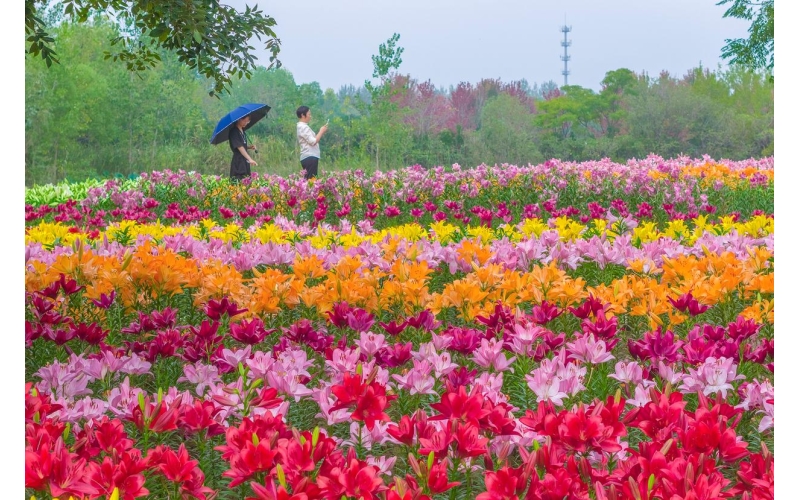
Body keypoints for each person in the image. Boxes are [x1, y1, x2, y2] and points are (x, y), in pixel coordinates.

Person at [296, 106, 328, 180]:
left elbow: (313, 140)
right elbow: (313, 141)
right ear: (303, 115)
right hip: (309, 156)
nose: (310, 116)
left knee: (309, 180)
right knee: (311, 181)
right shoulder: (303, 127)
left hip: (308, 156)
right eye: (309, 114)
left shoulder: (302, 126)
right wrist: (321, 131)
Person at [229, 115, 257, 182]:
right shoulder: (234, 132)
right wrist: (250, 159)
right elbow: (239, 147)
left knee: (247, 179)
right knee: (239, 179)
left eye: (248, 121)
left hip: (244, 160)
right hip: (238, 161)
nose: (246, 123)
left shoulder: (242, 131)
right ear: (239, 119)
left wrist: (249, 147)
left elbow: (242, 145)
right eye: (244, 121)